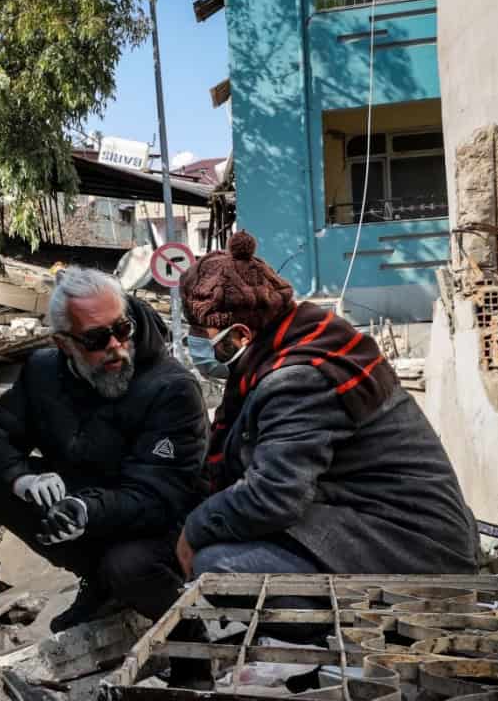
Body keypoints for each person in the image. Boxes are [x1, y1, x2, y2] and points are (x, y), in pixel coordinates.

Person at [176, 232, 478, 583]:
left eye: (198, 334)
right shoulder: (304, 339)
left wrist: (194, 530)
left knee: (217, 565)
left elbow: (273, 495)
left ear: (240, 336)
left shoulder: (297, 379)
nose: (193, 345)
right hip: (382, 523)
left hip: (412, 547)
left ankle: (322, 637)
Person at [0, 267, 209, 631]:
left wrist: (83, 509)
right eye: (96, 340)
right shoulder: (44, 372)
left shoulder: (173, 389)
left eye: (123, 330)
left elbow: (158, 495)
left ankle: (192, 639)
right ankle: (99, 583)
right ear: (65, 344)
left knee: (127, 565)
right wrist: (22, 480)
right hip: (95, 497)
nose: (115, 347)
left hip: (168, 516)